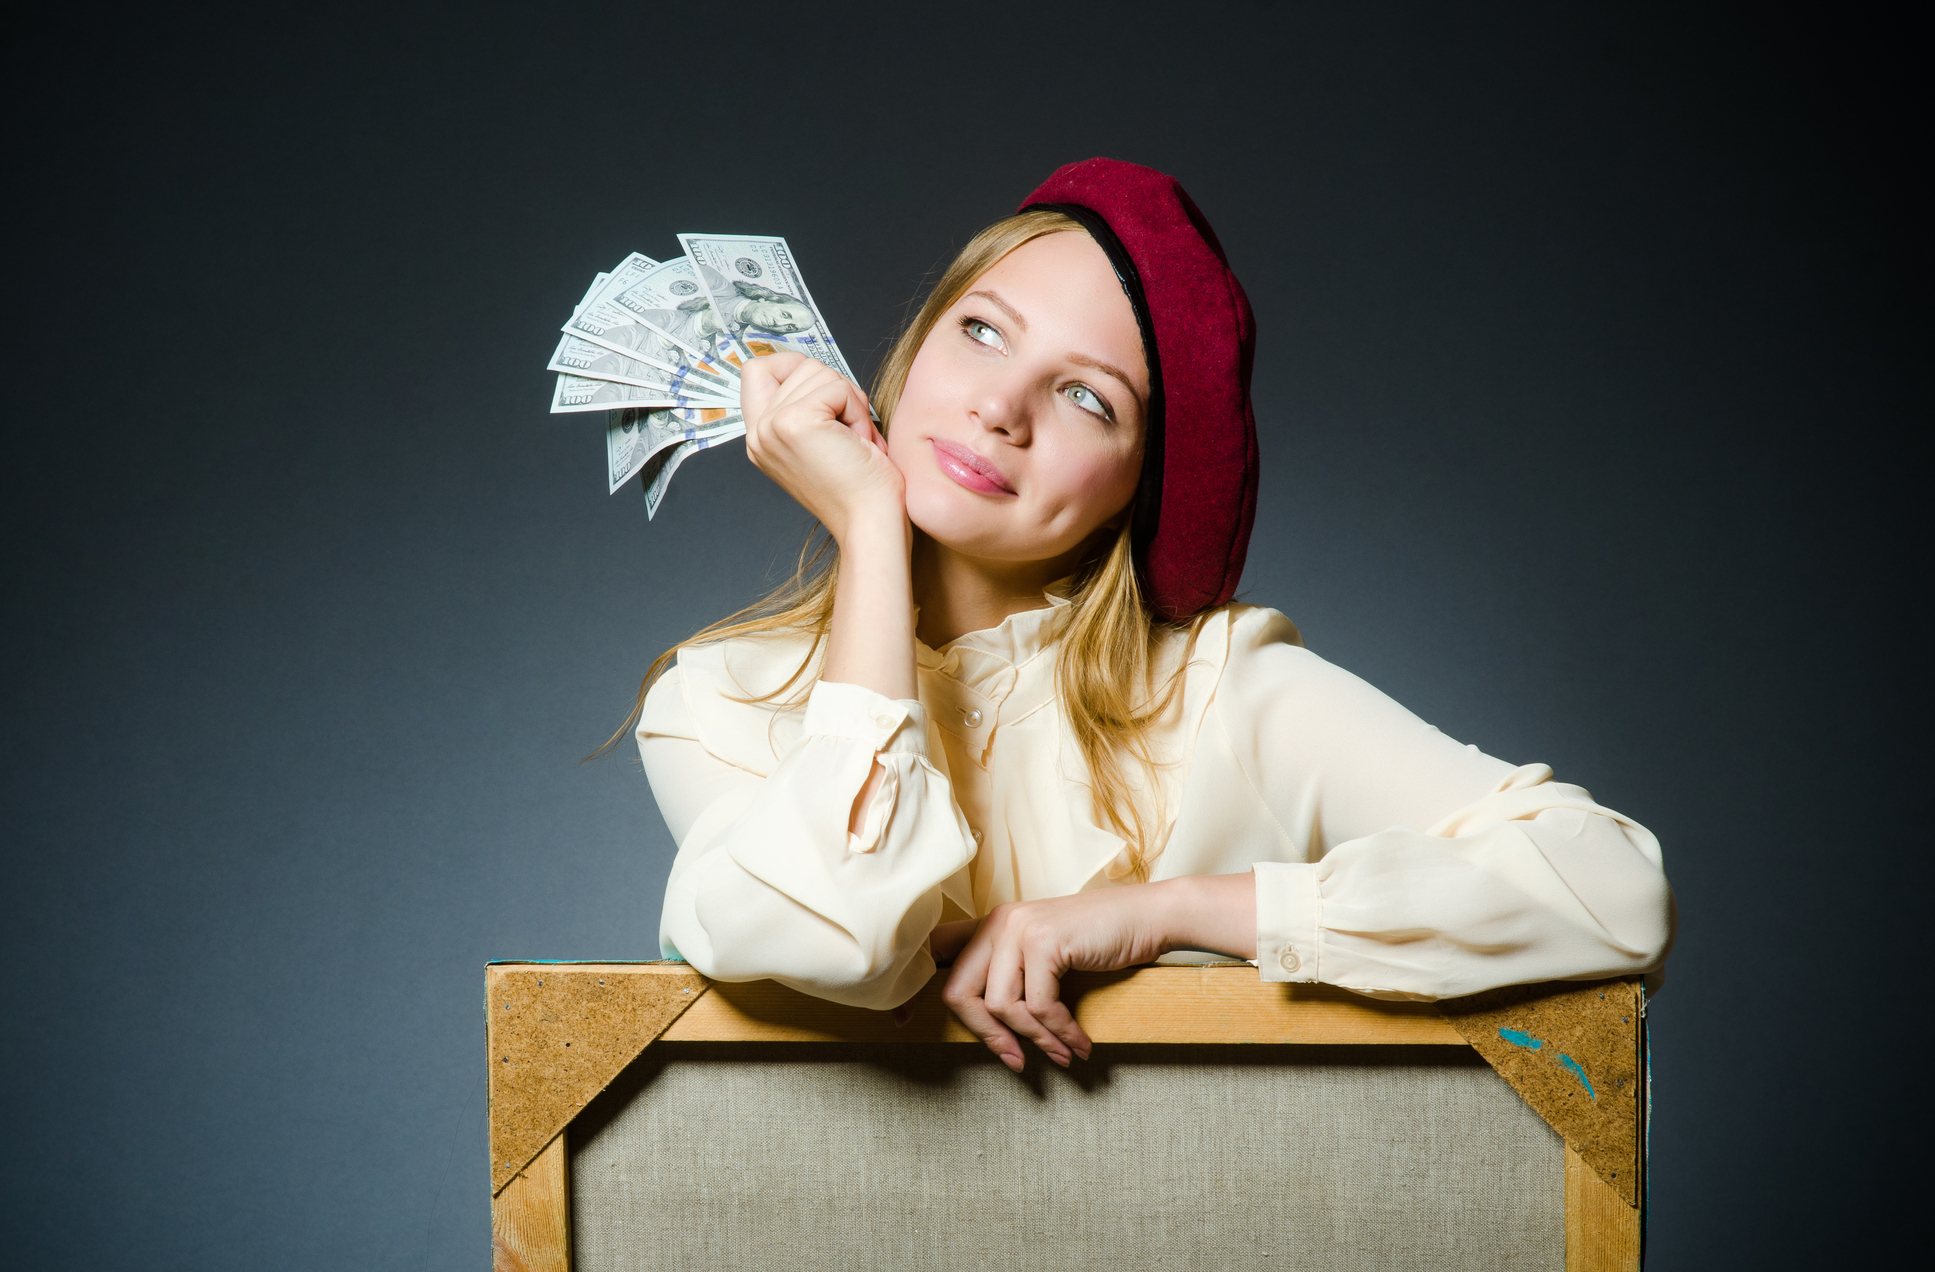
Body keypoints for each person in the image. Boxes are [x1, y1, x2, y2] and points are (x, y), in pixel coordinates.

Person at [623, 158, 1673, 1072]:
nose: (1001, 407)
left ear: (1141, 484)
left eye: (1087, 396)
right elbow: (839, 932)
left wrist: (1158, 913)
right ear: (911, 347)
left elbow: (1612, 888)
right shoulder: (715, 701)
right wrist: (867, 527)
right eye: (983, 331)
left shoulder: (1224, 691)